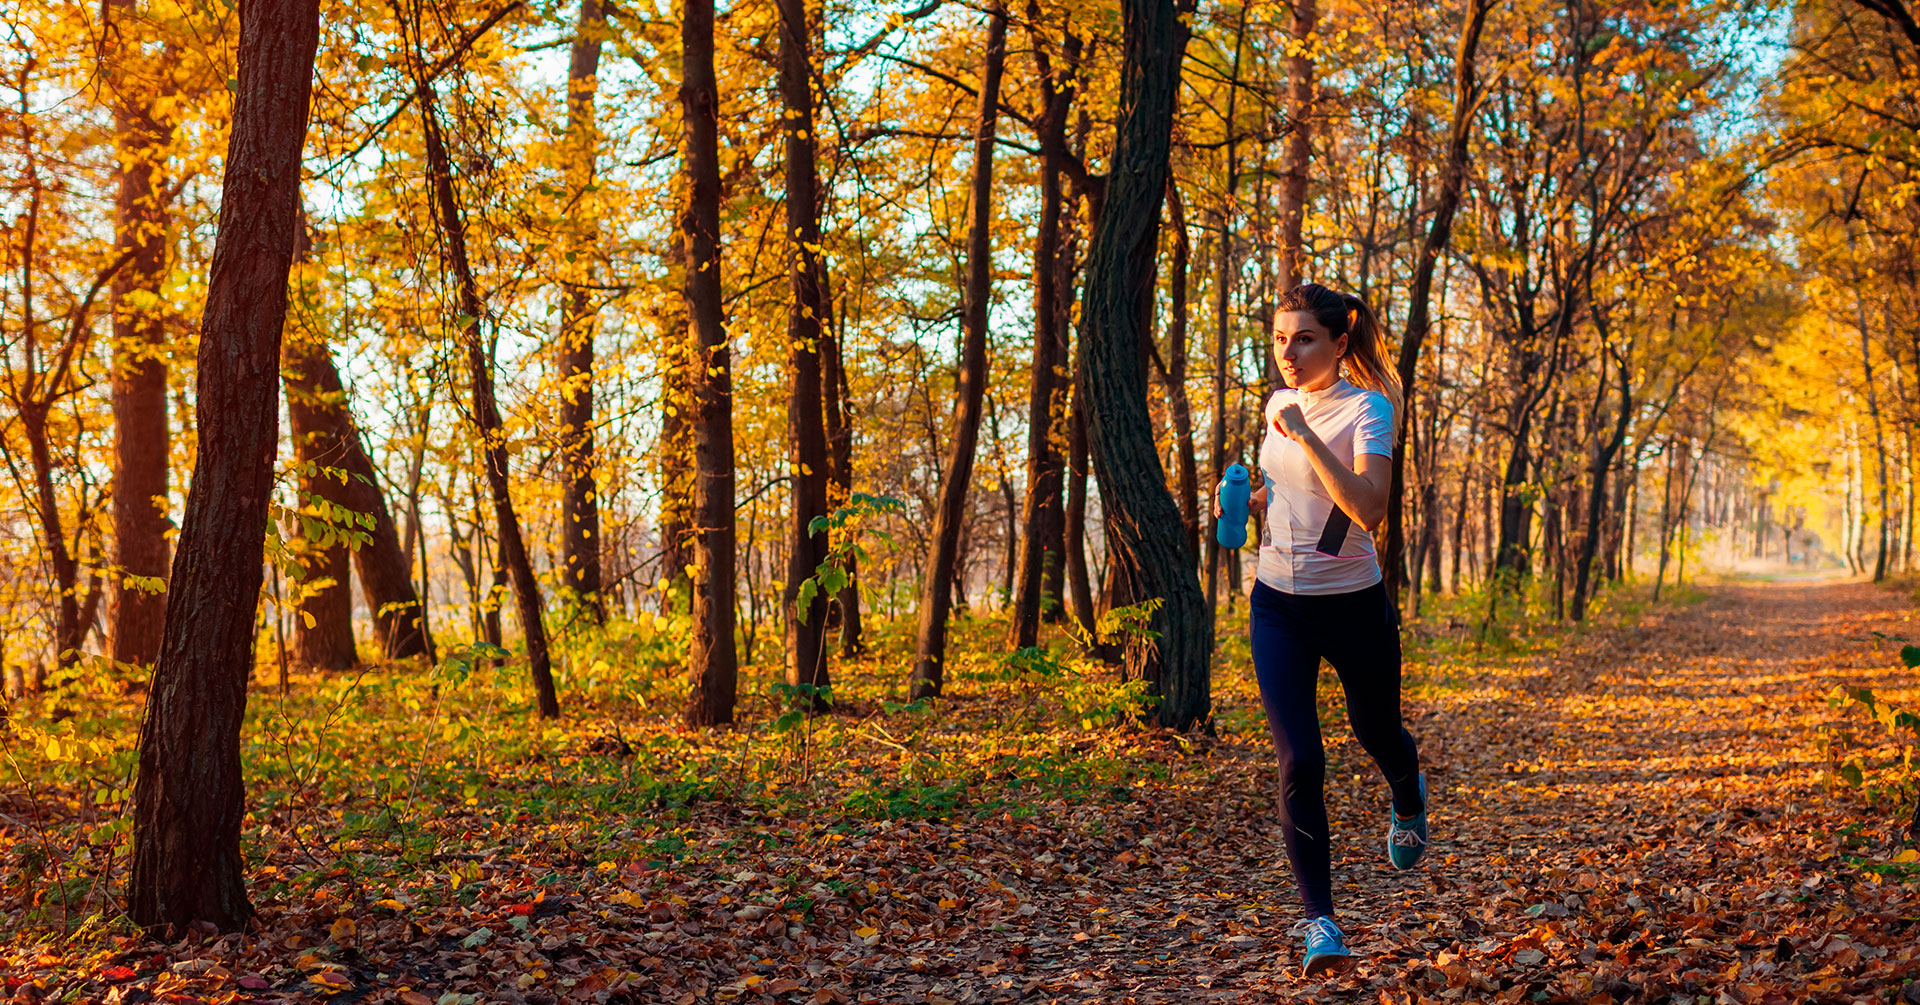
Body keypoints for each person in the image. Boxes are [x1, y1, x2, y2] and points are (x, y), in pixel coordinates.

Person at [1215, 282, 1428, 978]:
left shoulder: (1368, 408)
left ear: (1339, 343)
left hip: (1353, 603)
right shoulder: (1277, 405)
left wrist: (1307, 435)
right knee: (1300, 759)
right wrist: (1247, 505)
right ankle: (1321, 922)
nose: (1289, 353)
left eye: (1304, 338)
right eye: (1279, 338)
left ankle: (1407, 787)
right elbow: (1292, 498)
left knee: (1376, 729)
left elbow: (1366, 507)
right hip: (1277, 602)